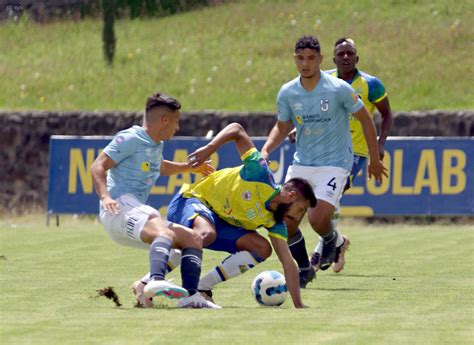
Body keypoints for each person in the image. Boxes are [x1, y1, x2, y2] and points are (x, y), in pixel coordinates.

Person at [261, 36, 388, 288]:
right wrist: (265, 151)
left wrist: (374, 158)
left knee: (318, 220)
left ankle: (331, 239)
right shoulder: (288, 92)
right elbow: (282, 125)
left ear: (320, 59)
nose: (305, 64)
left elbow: (365, 119)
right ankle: (307, 267)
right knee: (285, 222)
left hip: (335, 163)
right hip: (302, 164)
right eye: (300, 58)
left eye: (310, 58)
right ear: (294, 59)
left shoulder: (338, 88)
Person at [164, 122, 317, 308]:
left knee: (262, 248)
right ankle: (149, 281)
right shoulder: (259, 173)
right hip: (193, 200)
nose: (298, 216)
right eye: (300, 209)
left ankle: (203, 288)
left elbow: (288, 262)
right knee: (204, 233)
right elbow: (237, 129)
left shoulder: (275, 222)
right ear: (291, 196)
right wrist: (209, 149)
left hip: (217, 221)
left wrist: (298, 304)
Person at [90, 92, 220, 309]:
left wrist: (190, 167)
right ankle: (155, 281)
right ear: (165, 120)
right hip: (119, 207)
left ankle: (189, 296)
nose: (177, 128)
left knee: (193, 240)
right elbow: (98, 165)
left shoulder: (154, 145)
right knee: (162, 229)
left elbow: (161, 166)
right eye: (176, 121)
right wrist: (105, 196)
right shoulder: (131, 137)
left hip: (132, 215)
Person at [307, 37, 393, 272]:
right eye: (341, 53)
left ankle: (319, 253)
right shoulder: (322, 79)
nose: (345, 57)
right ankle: (338, 242)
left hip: (355, 151)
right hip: (323, 148)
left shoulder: (371, 84)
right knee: (317, 200)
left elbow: (386, 114)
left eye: (350, 53)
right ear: (333, 59)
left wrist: (380, 143)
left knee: (332, 195)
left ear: (357, 57)